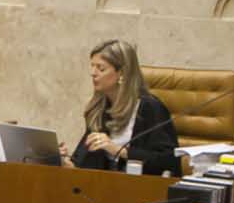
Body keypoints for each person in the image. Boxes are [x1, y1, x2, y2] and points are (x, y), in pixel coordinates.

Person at [71, 39, 176, 173]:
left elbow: (169, 161)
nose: (93, 73)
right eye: (92, 66)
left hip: (139, 188)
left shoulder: (150, 107)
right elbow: (85, 161)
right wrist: (64, 161)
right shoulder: (100, 107)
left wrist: (120, 151)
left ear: (122, 73)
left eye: (101, 68)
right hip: (101, 185)